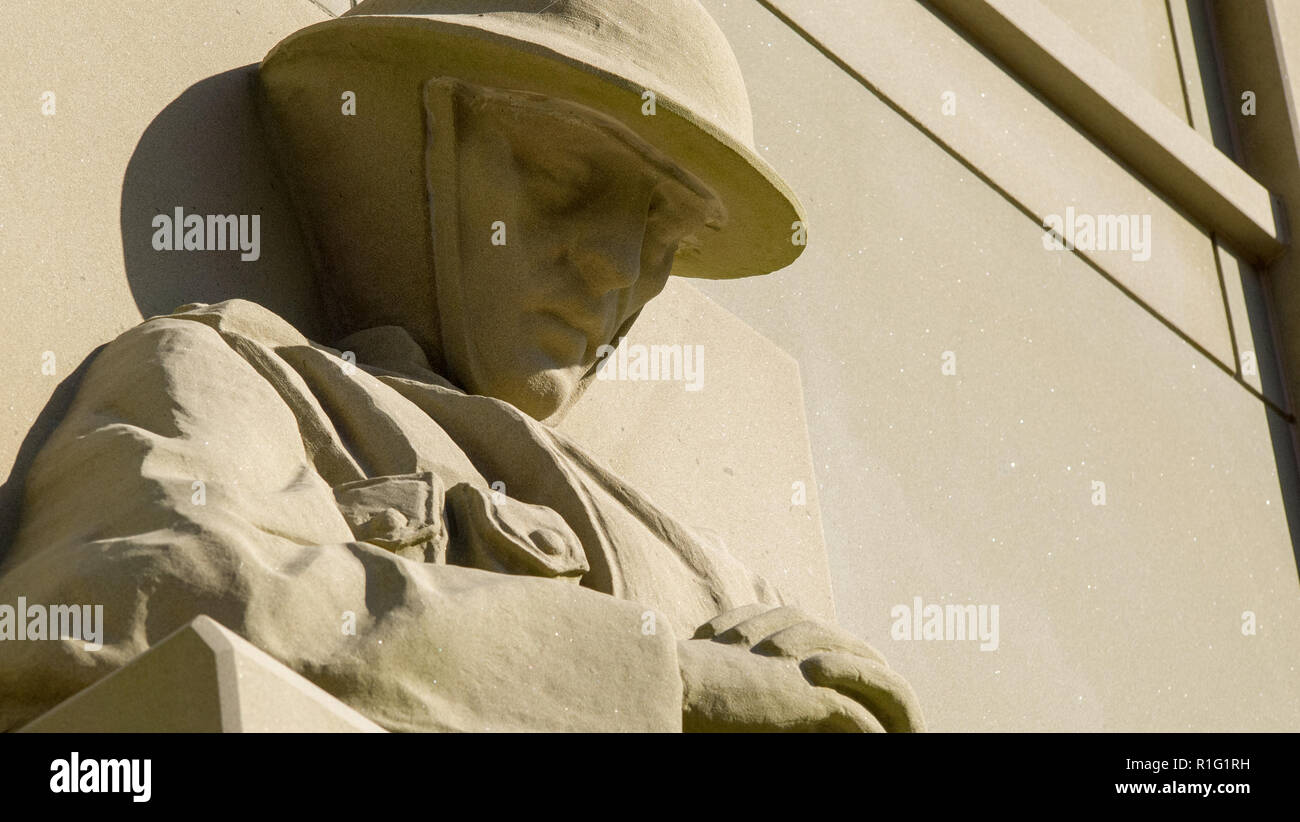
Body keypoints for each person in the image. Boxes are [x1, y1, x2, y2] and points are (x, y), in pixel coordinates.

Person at [0, 0, 923, 732]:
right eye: (562, 177)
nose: (615, 264)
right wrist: (659, 681)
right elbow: (126, 601)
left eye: (662, 234)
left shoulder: (713, 580)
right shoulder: (243, 374)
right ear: (404, 156)